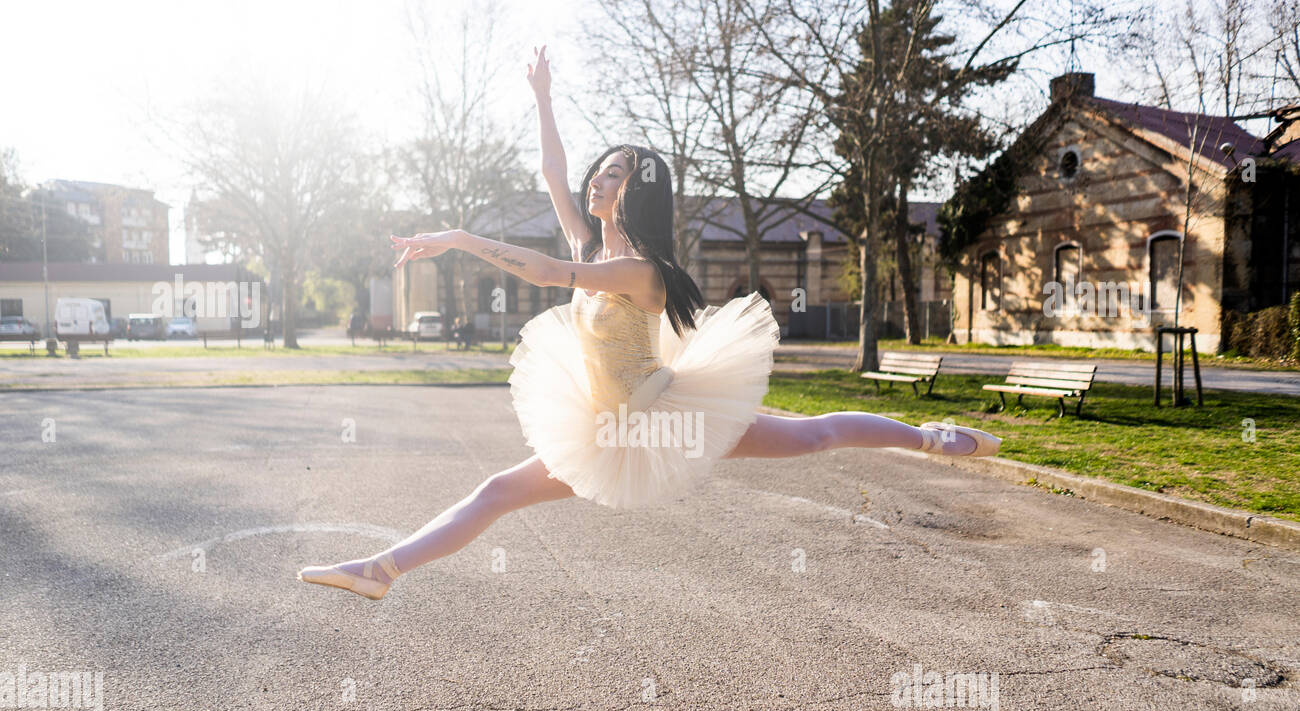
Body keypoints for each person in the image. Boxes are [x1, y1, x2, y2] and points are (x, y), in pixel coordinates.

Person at [298, 45, 1000, 601]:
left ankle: (933, 437)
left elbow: (545, 275)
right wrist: (543, 99)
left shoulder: (640, 271)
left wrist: (457, 236)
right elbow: (552, 170)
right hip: (603, 423)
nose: (599, 183)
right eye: (600, 173)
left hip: (668, 417)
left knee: (814, 435)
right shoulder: (590, 244)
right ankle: (381, 571)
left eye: (616, 176)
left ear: (639, 193)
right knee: (498, 492)